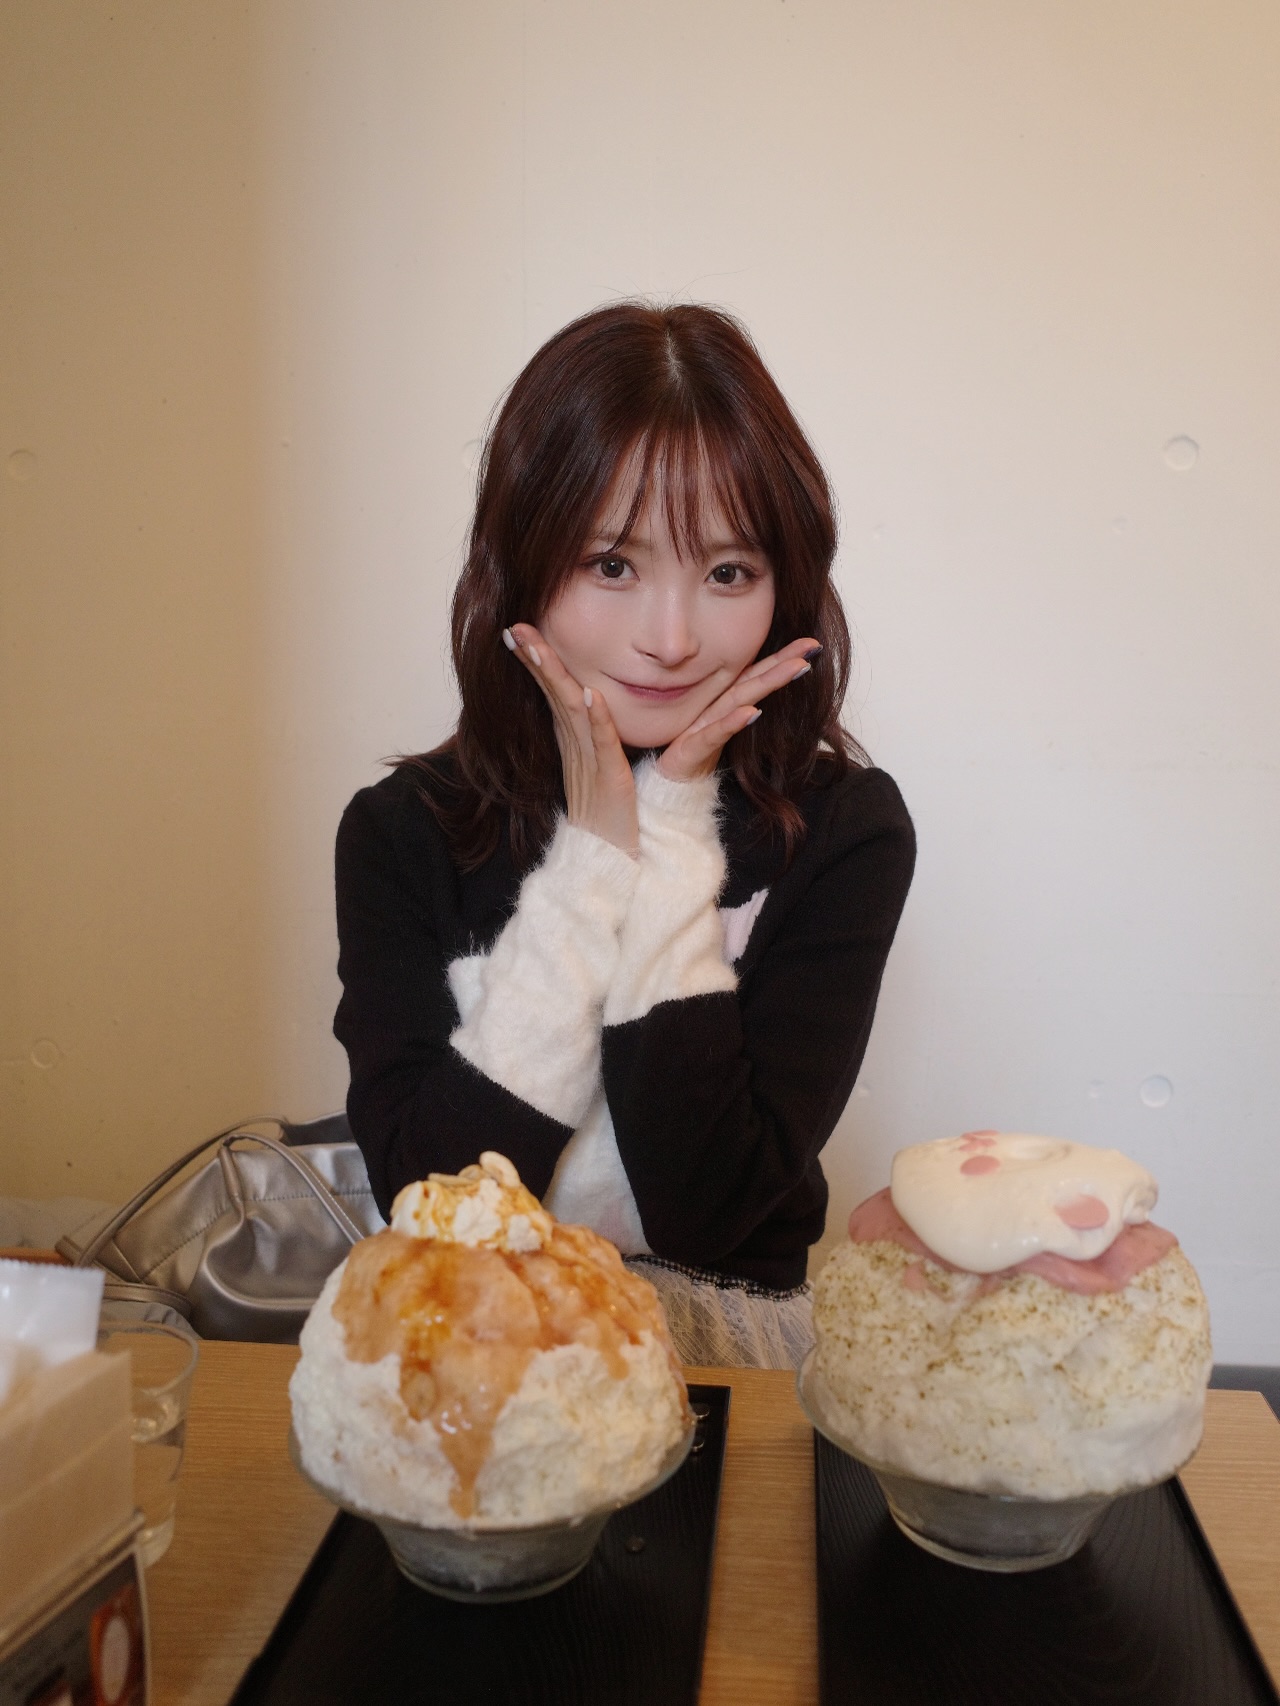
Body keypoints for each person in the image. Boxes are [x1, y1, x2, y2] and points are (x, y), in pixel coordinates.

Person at [333, 302, 915, 1368]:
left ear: (786, 584)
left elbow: (708, 1209)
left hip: (725, 1358)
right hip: (464, 1356)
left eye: (727, 573)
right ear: (521, 561)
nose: (671, 638)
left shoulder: (844, 831)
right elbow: (431, 1206)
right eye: (612, 564)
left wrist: (668, 834)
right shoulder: (402, 833)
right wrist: (592, 863)